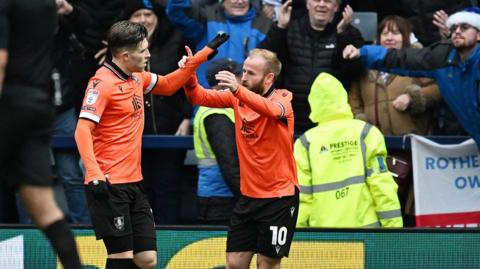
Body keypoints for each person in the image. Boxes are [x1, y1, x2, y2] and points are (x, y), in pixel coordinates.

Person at [74, 21, 227, 268]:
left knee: (147, 259)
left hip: (133, 181)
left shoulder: (136, 77)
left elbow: (168, 85)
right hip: (109, 184)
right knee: (121, 257)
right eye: (143, 50)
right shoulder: (101, 84)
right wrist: (93, 172)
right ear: (125, 55)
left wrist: (201, 56)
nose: (148, 54)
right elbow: (82, 129)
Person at [181, 48, 299, 269]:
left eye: (251, 73)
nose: (243, 77)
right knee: (234, 263)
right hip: (248, 197)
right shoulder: (237, 98)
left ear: (269, 78)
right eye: (243, 71)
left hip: (279, 198)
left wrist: (237, 90)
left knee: (267, 265)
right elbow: (197, 96)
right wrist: (189, 72)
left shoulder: (283, 98)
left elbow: (273, 111)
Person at [0, 1, 82, 268]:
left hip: (10, 104)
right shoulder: (47, 5)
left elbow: (1, 62)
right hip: (39, 106)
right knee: (45, 209)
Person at [343, 7, 480, 150]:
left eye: (464, 27)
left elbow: (434, 90)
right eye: (454, 27)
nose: (457, 31)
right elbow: (402, 58)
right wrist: (363, 52)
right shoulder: (443, 57)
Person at [295, 72, 403, 228]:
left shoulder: (305, 142)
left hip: (322, 239)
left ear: (313, 103)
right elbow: (382, 186)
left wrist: (298, 239)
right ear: (343, 98)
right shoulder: (366, 133)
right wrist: (394, 230)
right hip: (366, 234)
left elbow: (301, 198)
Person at [121, 0, 193, 225]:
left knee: (168, 187)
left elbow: (189, 81)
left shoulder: (176, 40)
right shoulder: (120, 50)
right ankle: (144, 241)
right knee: (140, 190)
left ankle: (167, 239)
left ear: (158, 18)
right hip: (133, 135)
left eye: (148, 14)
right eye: (137, 15)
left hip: (170, 130)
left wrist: (187, 116)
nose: (143, 20)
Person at [259, 0, 364, 133]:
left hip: (331, 122)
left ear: (336, 7)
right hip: (290, 119)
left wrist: (342, 35)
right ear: (307, 4)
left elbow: (355, 72)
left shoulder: (349, 33)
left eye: (328, 1)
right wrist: (280, 28)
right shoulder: (288, 27)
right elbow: (264, 62)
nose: (321, 4)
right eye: (316, 0)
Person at [166, 0, 272, 87]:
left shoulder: (266, 26)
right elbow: (177, 11)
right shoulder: (205, 17)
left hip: (246, 102)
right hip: (207, 98)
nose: (240, 1)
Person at [194, 58, 242, 225]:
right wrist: (246, 197)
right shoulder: (217, 113)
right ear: (225, 80)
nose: (243, 79)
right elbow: (229, 162)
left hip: (218, 194)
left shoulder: (217, 106)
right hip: (222, 198)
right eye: (239, 74)